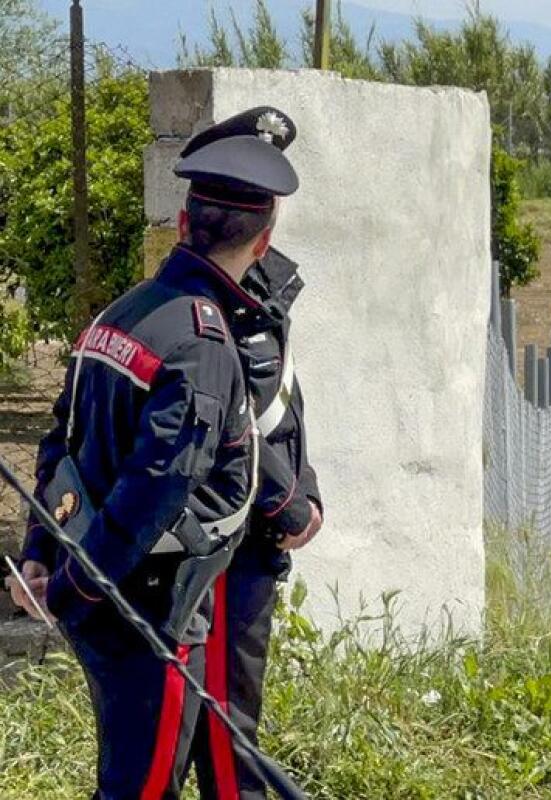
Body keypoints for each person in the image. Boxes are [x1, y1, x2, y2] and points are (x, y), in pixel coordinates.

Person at [6, 107, 298, 799]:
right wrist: (81, 584)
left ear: (181, 225)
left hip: (101, 594)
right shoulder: (203, 343)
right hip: (149, 614)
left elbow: (59, 445)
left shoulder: (123, 312)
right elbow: (156, 488)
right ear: (263, 243)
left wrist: (44, 556)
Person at [166, 108, 324, 800]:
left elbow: (280, 404)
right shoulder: (207, 306)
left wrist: (304, 485)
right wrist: (289, 505)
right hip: (228, 543)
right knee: (222, 737)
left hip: (255, 532)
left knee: (224, 724)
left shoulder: (262, 290)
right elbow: (232, 427)